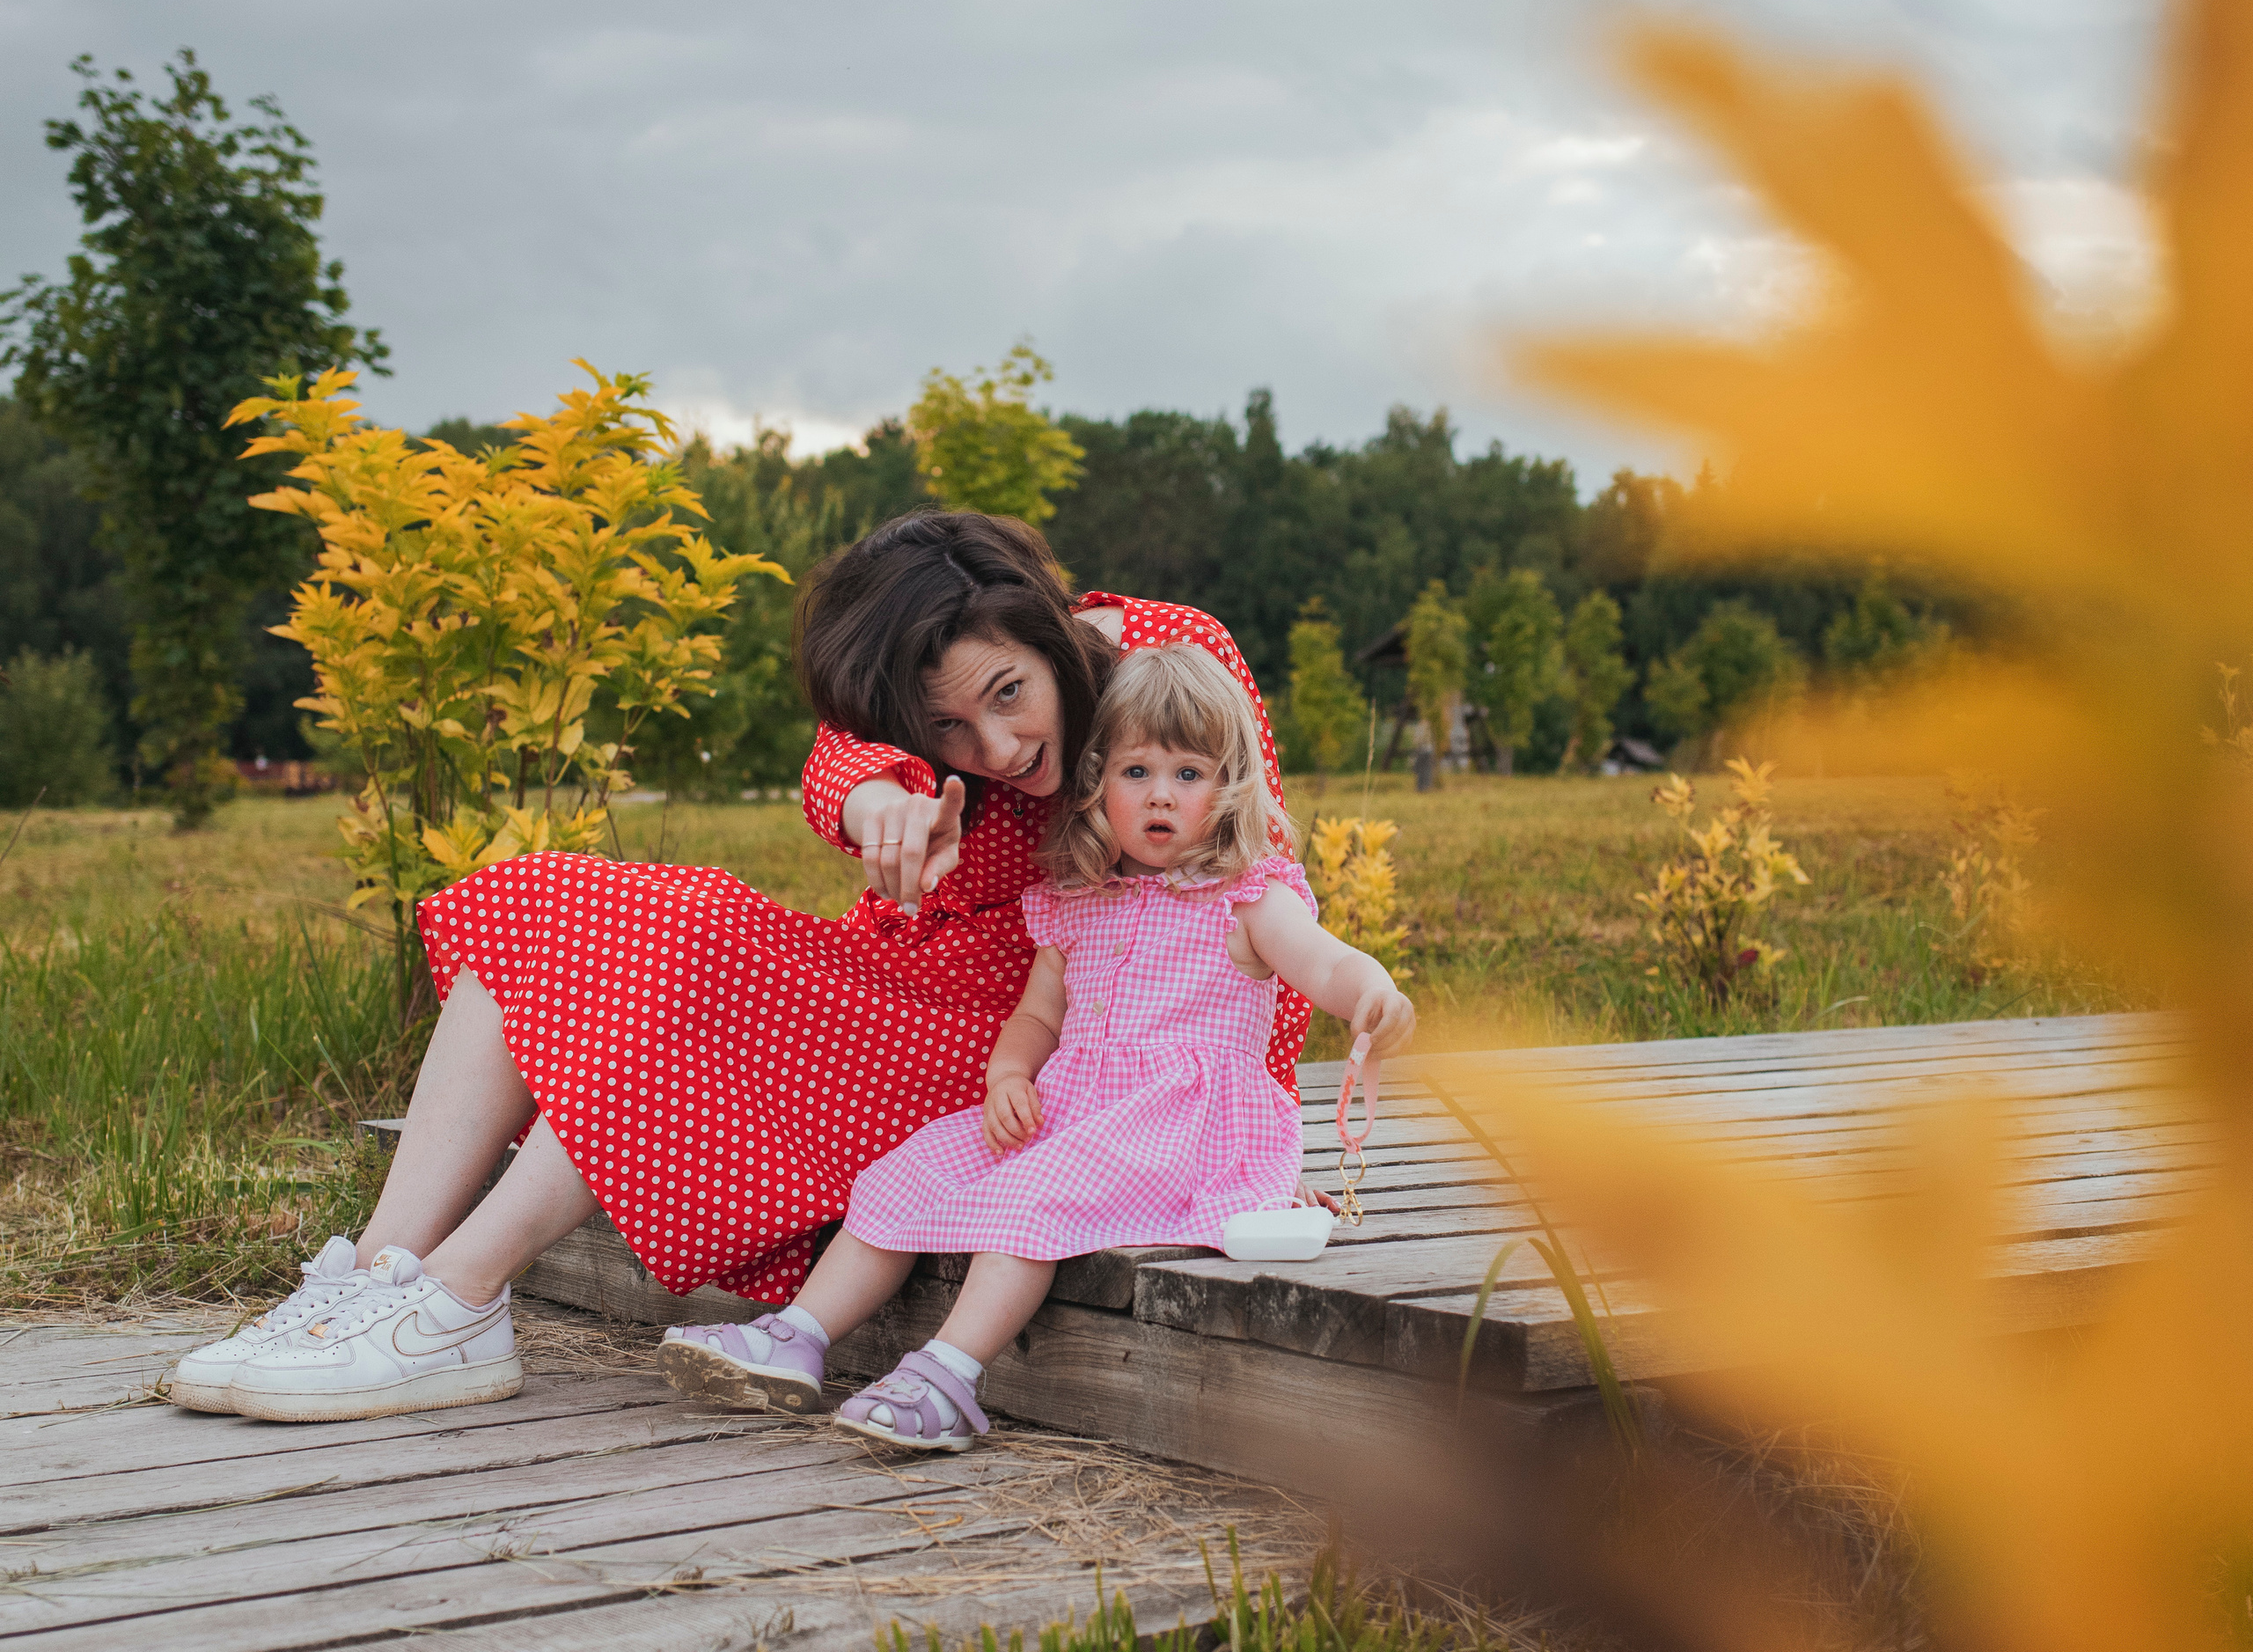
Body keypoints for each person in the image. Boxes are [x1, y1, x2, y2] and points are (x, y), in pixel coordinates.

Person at [172, 511, 1317, 1422]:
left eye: (1010, 695)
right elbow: (842, 759)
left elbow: (1266, 885)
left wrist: (1252, 1136)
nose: (998, 749)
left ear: (1049, 633)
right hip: (884, 989)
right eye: (949, 731)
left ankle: (460, 1303)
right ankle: (380, 1278)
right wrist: (880, 794)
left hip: (1010, 1057)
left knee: (692, 963)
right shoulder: (918, 745)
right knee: (542, 897)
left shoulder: (1173, 659)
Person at [656, 644, 1414, 1450]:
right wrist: (1009, 1075)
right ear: (1097, 783)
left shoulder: (1248, 898)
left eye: (1189, 775)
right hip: (1075, 1113)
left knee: (1030, 1199)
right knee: (907, 1171)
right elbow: (1038, 1018)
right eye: (1136, 773)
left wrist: (1370, 993)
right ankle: (797, 1337)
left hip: (1182, 1129)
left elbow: (1322, 960)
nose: (1161, 795)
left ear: (1228, 789)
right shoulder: (1074, 903)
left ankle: (949, 1374)